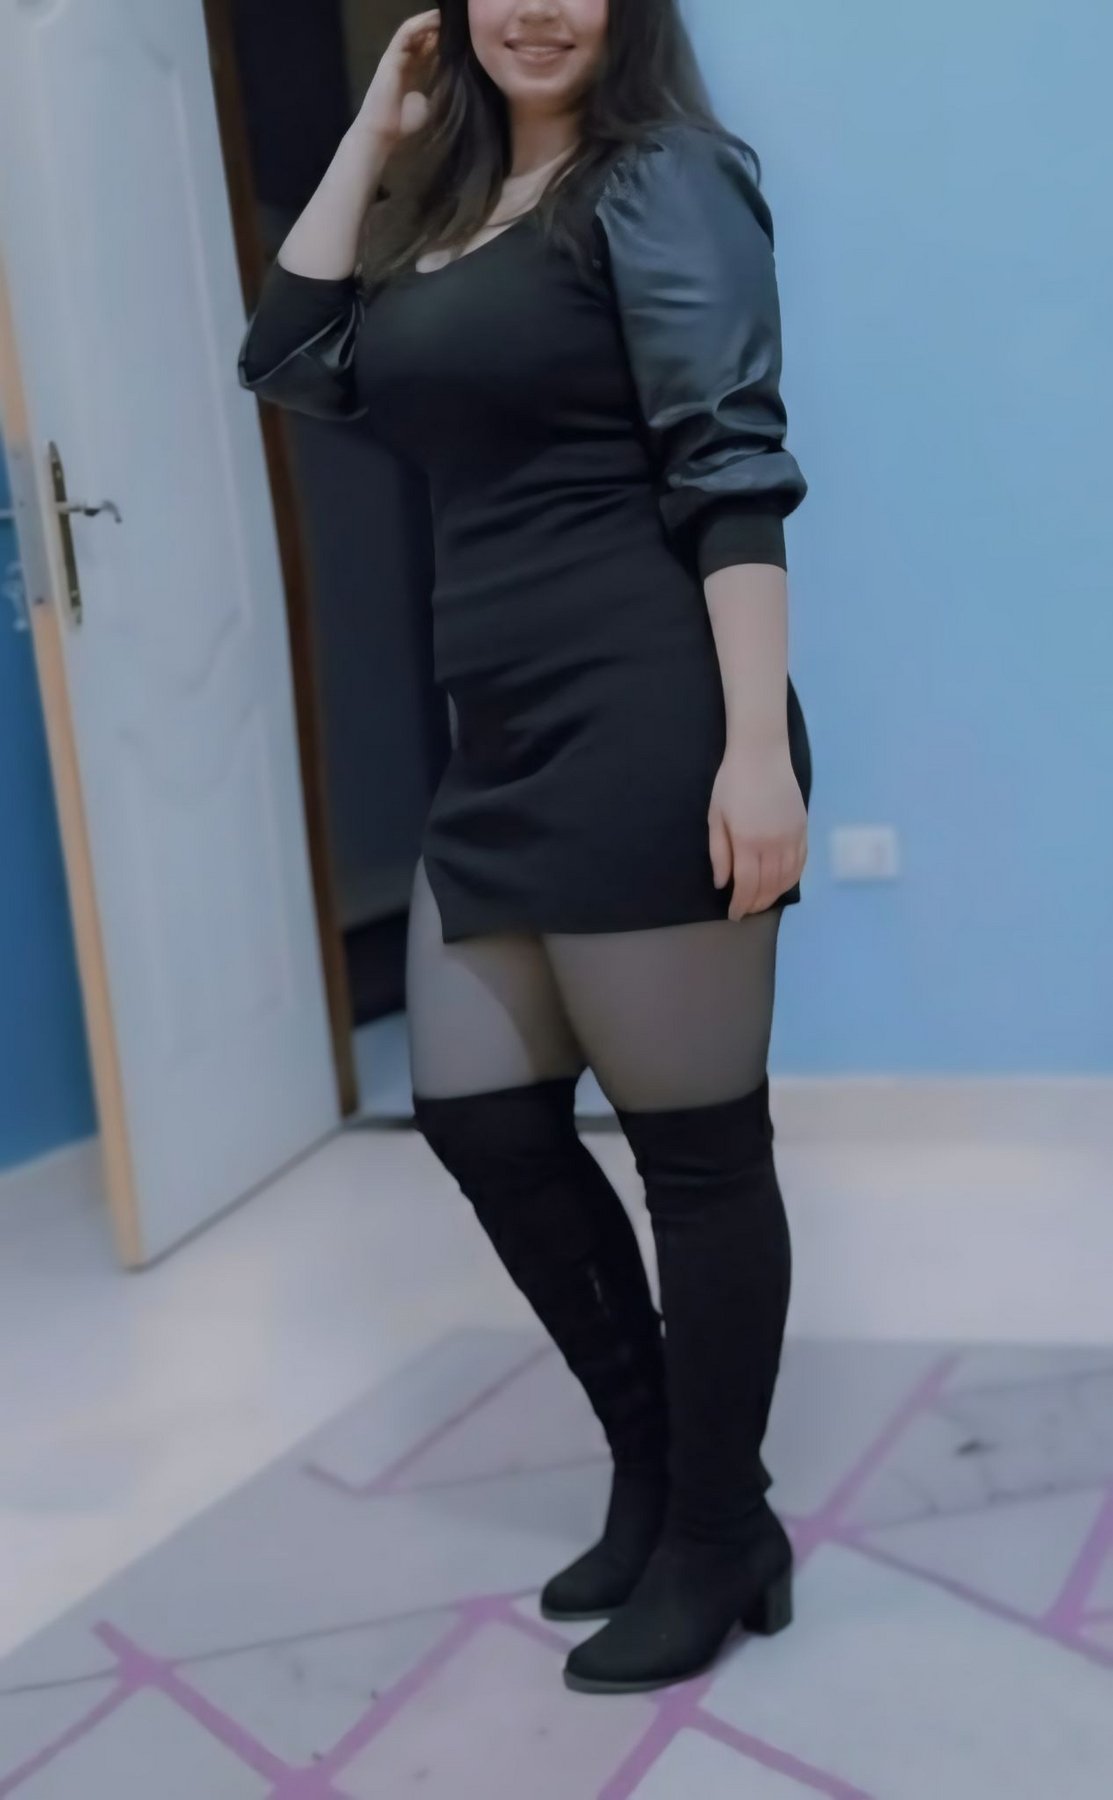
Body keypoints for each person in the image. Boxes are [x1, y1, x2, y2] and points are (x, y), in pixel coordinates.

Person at [239, 0, 811, 1696]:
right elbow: (289, 357)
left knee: (695, 1154)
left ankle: (718, 1531)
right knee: (479, 1117)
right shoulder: (446, 215)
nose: (538, 8)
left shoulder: (664, 178)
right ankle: (660, 1476)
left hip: (651, 711)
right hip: (494, 734)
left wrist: (753, 748)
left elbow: (730, 461)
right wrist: (377, 130)